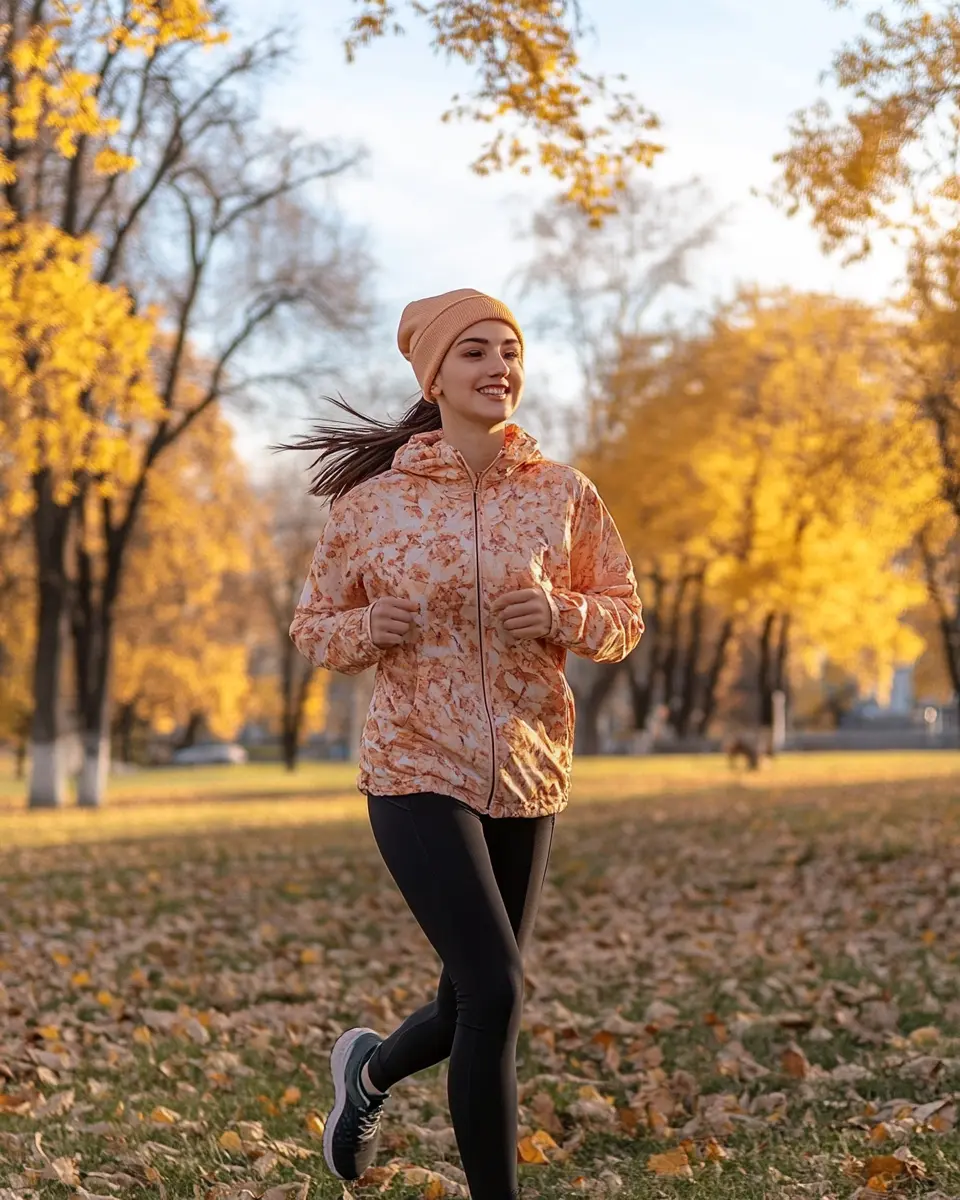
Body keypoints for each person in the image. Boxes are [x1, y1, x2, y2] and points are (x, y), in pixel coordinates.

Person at [283, 288, 643, 1200]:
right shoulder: (375, 506)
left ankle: (366, 1077)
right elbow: (314, 628)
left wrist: (562, 610)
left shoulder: (564, 494)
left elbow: (624, 617)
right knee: (498, 992)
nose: (500, 367)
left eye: (511, 349)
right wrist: (374, 628)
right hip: (414, 765)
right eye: (476, 351)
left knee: (469, 997)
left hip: (527, 767)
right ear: (435, 375)